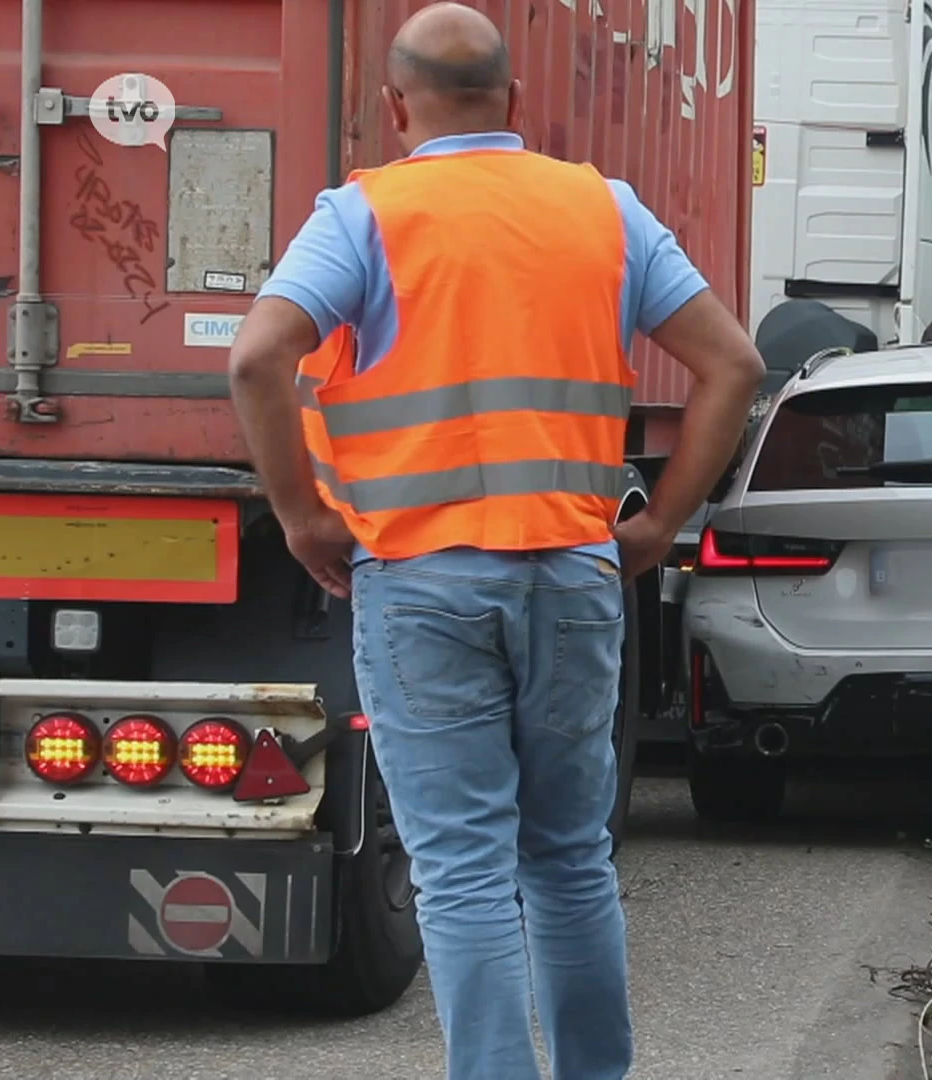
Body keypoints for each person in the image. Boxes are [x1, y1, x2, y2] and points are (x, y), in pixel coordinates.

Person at [224, 5, 763, 1079]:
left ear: (395, 108)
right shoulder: (602, 210)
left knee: (464, 875)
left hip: (422, 580)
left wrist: (299, 515)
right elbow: (735, 367)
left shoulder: (364, 215)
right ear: (516, 104)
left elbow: (257, 361)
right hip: (570, 574)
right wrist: (656, 525)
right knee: (569, 863)